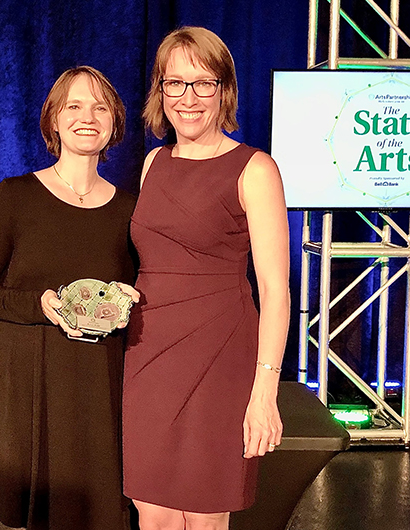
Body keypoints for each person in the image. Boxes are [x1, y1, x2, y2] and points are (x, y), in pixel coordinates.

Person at [122, 27, 290, 530]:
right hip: (148, 352)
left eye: (203, 83)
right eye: (175, 83)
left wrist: (265, 392)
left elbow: (276, 291)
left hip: (220, 354)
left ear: (225, 90)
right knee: (150, 511)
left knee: (204, 512)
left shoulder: (254, 168)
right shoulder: (153, 162)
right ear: (160, 91)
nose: (188, 98)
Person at [0, 66, 139, 530]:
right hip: (26, 377)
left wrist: (131, 298)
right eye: (73, 106)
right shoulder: (15, 196)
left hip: (98, 384)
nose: (88, 116)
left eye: (100, 107)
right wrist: (37, 305)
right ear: (54, 121)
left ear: (115, 123)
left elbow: (140, 291)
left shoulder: (130, 208)